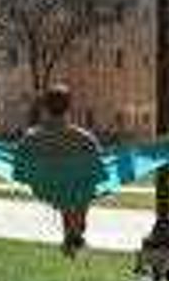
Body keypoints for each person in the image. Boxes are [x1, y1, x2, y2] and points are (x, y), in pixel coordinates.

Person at [13, 84, 102, 257]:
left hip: (44, 186)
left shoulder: (30, 138)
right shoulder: (85, 139)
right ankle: (77, 229)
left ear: (45, 107)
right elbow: (99, 172)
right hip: (75, 189)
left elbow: (18, 171)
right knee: (79, 185)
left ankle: (71, 236)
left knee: (66, 186)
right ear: (69, 107)